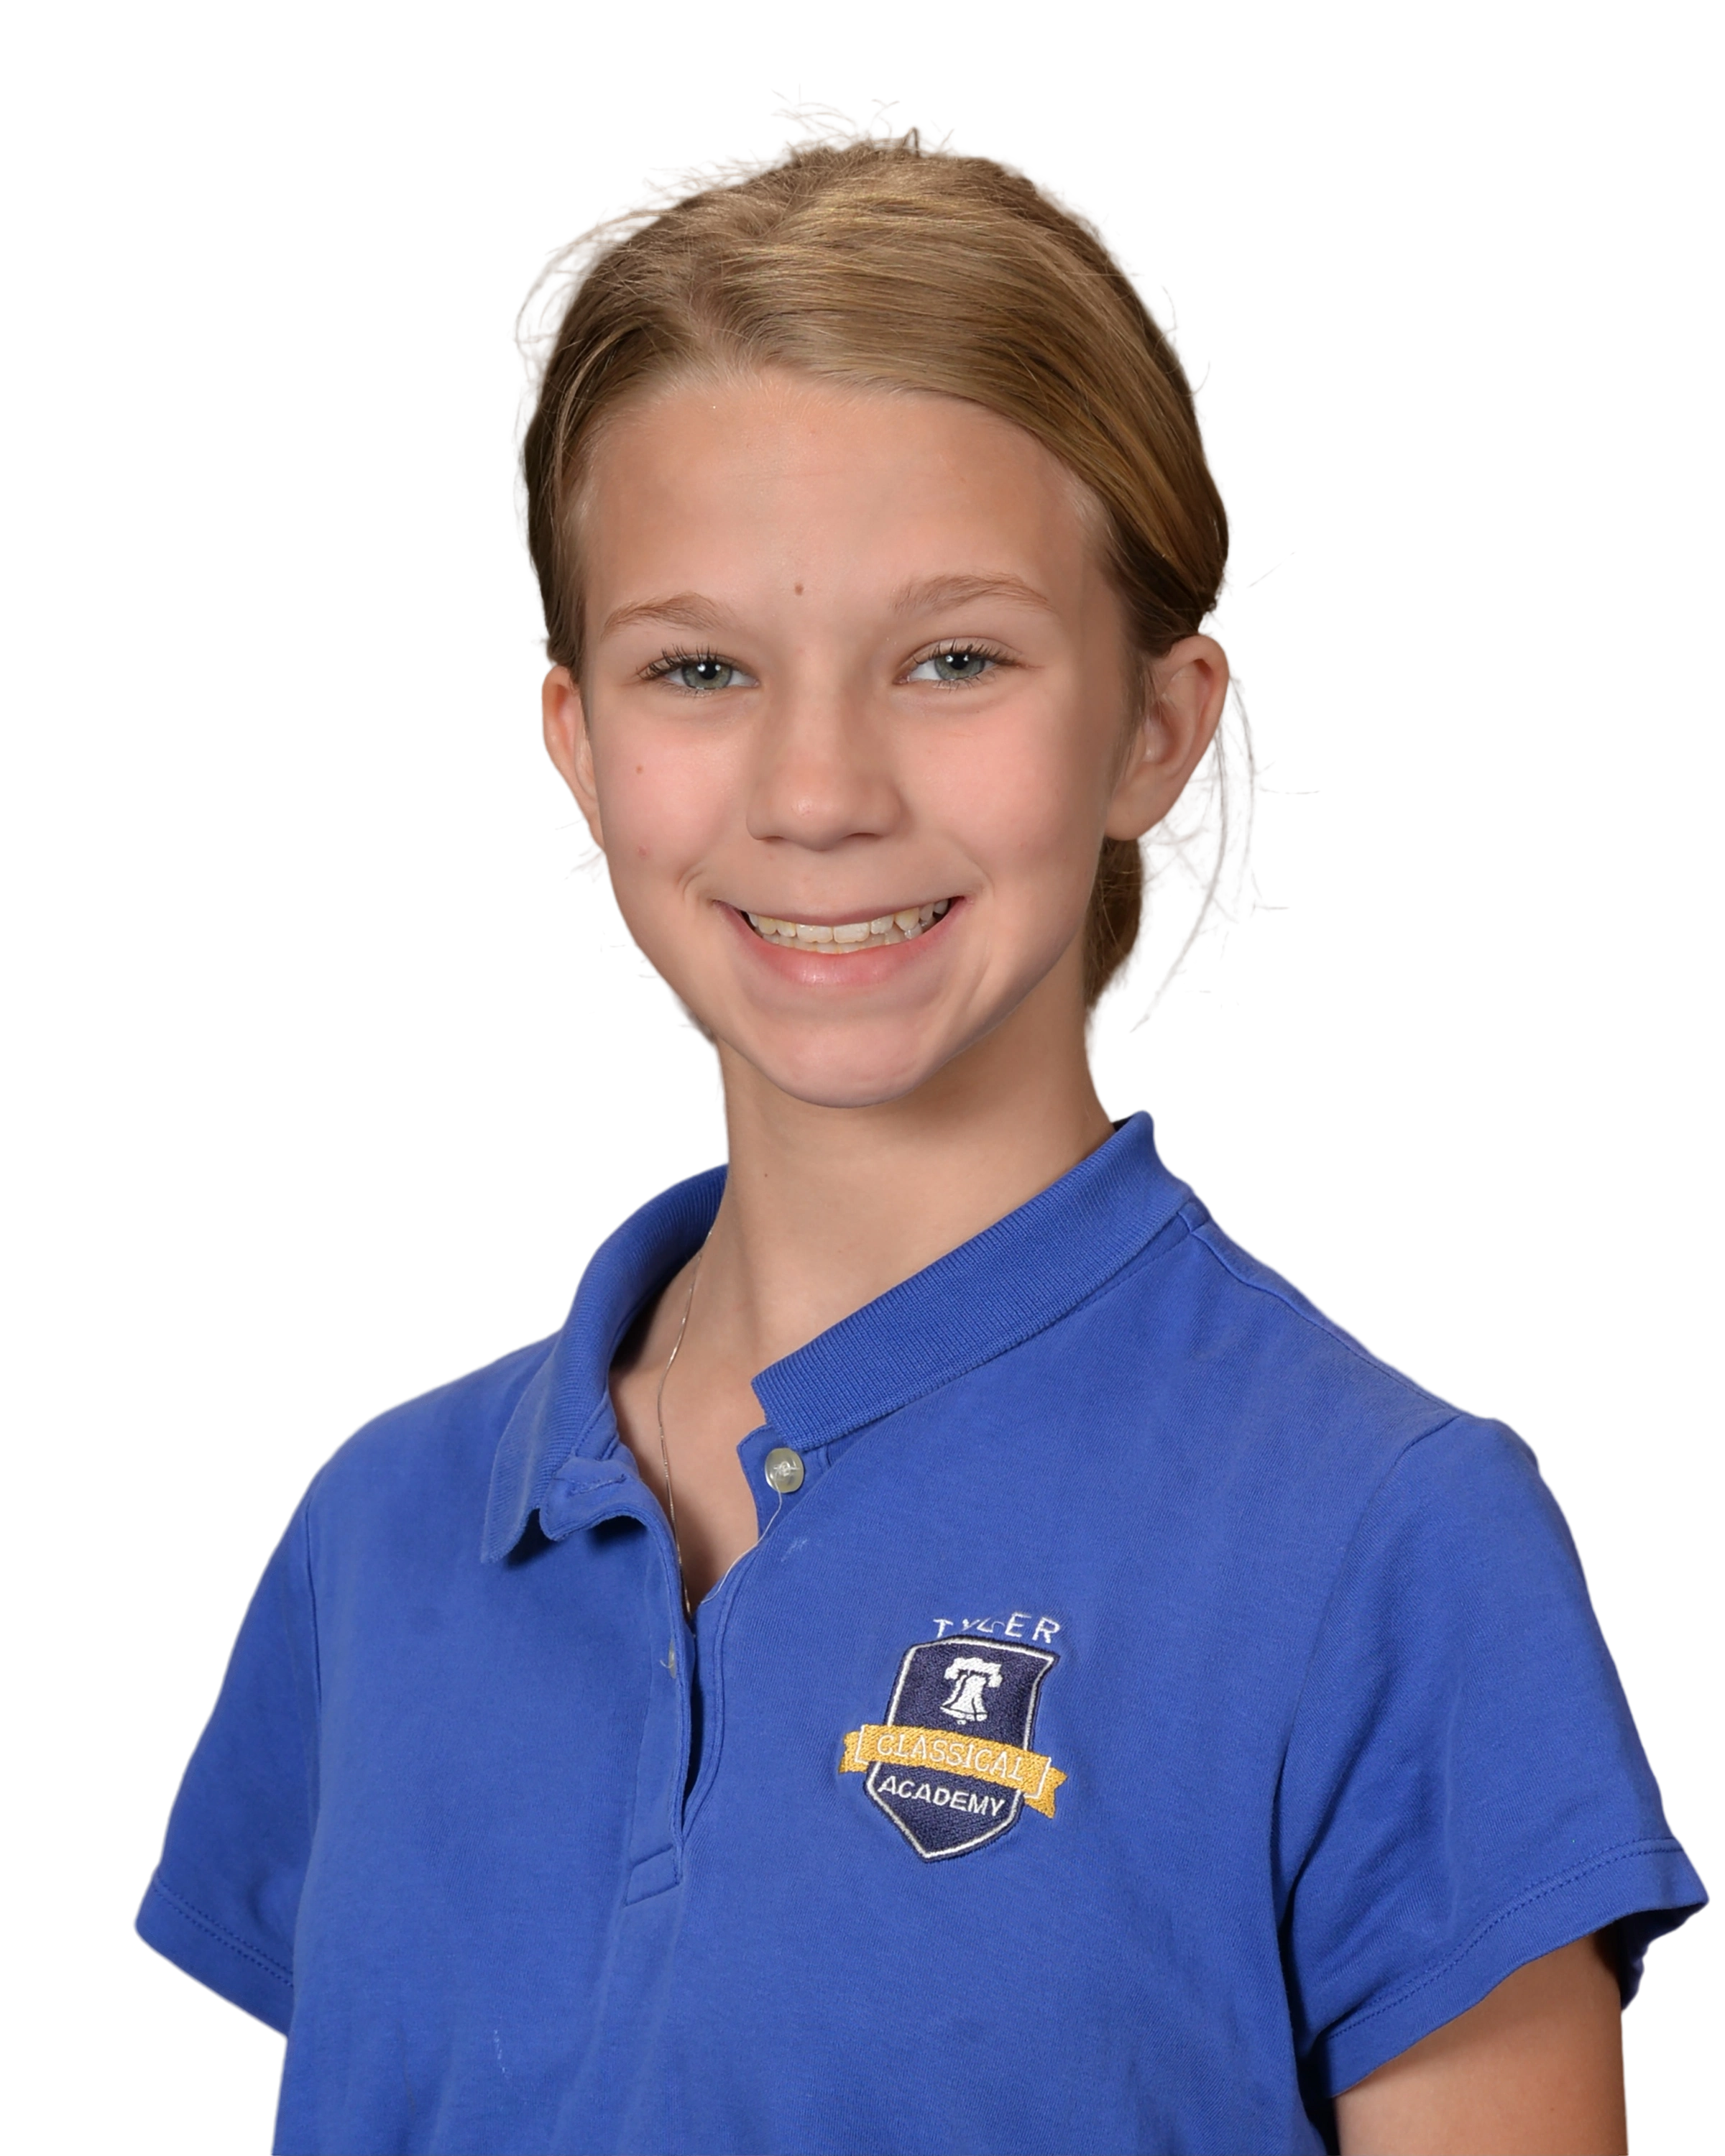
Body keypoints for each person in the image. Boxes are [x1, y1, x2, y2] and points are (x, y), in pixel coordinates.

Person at [130, 89, 1708, 2156]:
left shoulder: (1387, 1540)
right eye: (699, 670)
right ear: (577, 746)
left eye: (953, 658)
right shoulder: (386, 1531)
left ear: (1156, 724)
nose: (819, 792)